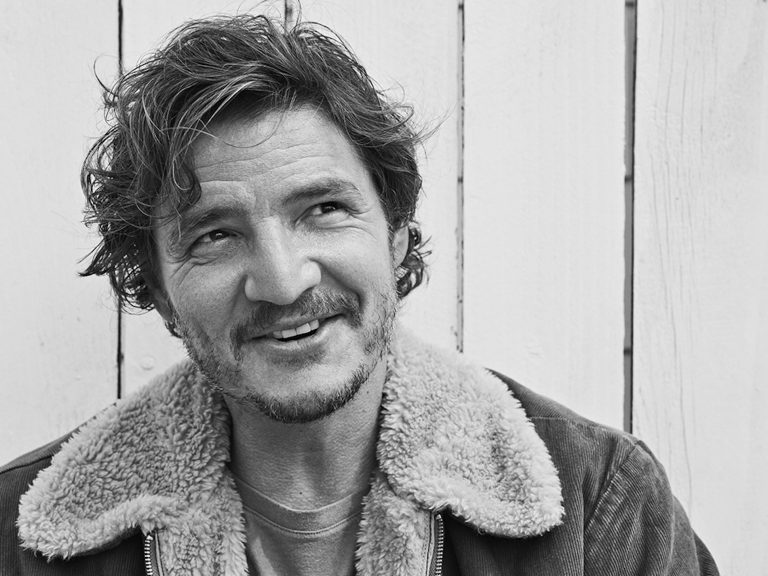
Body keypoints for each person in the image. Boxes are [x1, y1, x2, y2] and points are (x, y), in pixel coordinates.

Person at [0, 13, 719, 576]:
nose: (284, 281)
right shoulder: (18, 540)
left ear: (397, 234)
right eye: (216, 235)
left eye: (323, 209)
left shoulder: (602, 507)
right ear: (158, 290)